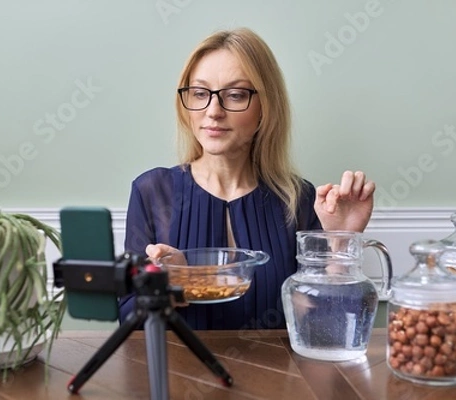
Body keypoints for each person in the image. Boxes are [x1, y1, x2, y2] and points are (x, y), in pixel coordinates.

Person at [119, 27, 375, 330]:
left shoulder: (297, 198)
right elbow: (127, 316)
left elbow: (325, 324)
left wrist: (340, 243)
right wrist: (170, 284)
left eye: (236, 95)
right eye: (200, 93)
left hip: (279, 377)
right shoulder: (153, 192)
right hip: (178, 375)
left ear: (265, 108)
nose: (213, 111)